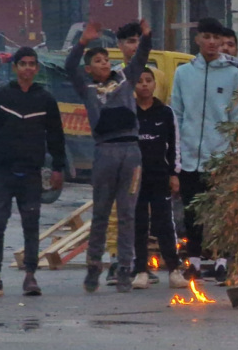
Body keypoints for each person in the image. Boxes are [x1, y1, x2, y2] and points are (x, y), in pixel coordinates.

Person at [65, 19, 151, 293]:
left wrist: (146, 36)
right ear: (89, 69)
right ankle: (93, 268)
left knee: (127, 213)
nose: (104, 64)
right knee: (101, 212)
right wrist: (83, 42)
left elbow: (142, 56)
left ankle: (125, 268)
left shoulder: (125, 79)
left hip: (131, 154)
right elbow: (69, 67)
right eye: (98, 61)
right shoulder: (87, 89)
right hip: (105, 152)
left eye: (106, 59)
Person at [0, 47, 65, 296]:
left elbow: (56, 136)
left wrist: (58, 168)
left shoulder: (45, 99)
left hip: (31, 173)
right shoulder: (2, 95)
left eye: (32, 64)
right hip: (4, 171)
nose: (28, 68)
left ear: (37, 69)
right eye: (23, 64)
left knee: (31, 224)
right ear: (15, 67)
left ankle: (30, 276)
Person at [171, 18, 238, 283]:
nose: (212, 42)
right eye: (207, 37)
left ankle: (223, 261)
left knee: (222, 211)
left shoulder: (233, 74)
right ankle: (194, 261)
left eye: (216, 37)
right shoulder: (183, 73)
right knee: (192, 212)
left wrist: (234, 152)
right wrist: (176, 152)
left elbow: (237, 116)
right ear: (198, 39)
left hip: (221, 155)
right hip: (190, 155)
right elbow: (176, 113)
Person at [104, 21, 169, 286]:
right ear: (119, 46)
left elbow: (162, 111)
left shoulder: (156, 76)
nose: (135, 46)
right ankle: (116, 260)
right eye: (129, 41)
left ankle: (141, 262)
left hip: (150, 155)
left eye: (138, 40)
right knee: (118, 209)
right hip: (120, 151)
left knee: (145, 213)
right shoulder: (113, 78)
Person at [131, 68, 188, 289]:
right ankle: (141, 271)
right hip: (135, 178)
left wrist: (174, 174)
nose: (144, 85)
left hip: (160, 176)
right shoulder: (129, 112)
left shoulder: (165, 112)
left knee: (164, 223)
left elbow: (174, 145)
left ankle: (174, 270)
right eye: (140, 81)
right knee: (139, 224)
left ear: (155, 84)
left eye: (148, 81)